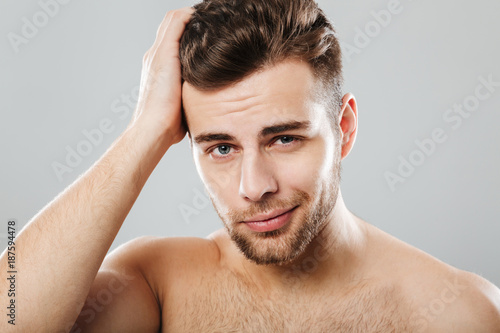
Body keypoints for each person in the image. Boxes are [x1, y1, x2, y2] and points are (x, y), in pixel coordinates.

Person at [1, 0, 499, 332]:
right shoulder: (159, 285)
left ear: (344, 128)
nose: (253, 187)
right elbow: (11, 315)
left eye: (283, 138)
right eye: (221, 148)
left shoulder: (455, 311)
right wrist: (144, 133)